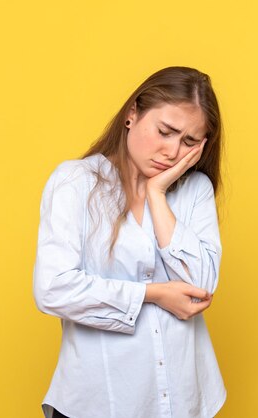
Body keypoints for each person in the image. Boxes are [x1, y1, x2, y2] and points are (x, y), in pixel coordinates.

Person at [32, 66, 226, 418]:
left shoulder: (196, 191)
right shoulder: (75, 183)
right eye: (165, 131)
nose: (172, 151)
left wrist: (156, 193)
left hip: (185, 402)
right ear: (132, 114)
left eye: (189, 142)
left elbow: (200, 286)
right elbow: (53, 288)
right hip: (99, 403)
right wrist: (152, 294)